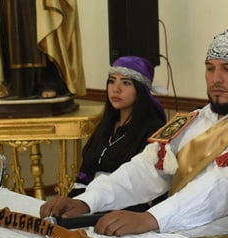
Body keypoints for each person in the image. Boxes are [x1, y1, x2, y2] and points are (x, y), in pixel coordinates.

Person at [40, 29, 228, 238]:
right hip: (170, 231)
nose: (216, 78)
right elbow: (145, 168)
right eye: (210, 68)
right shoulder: (192, 120)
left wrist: (151, 219)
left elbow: (223, 187)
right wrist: (87, 201)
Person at [68, 56, 167, 204]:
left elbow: (141, 183)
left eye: (126, 83)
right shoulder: (106, 126)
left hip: (127, 206)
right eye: (112, 81)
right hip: (89, 202)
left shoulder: (152, 130)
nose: (116, 89)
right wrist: (72, 201)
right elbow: (85, 174)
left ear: (140, 90)